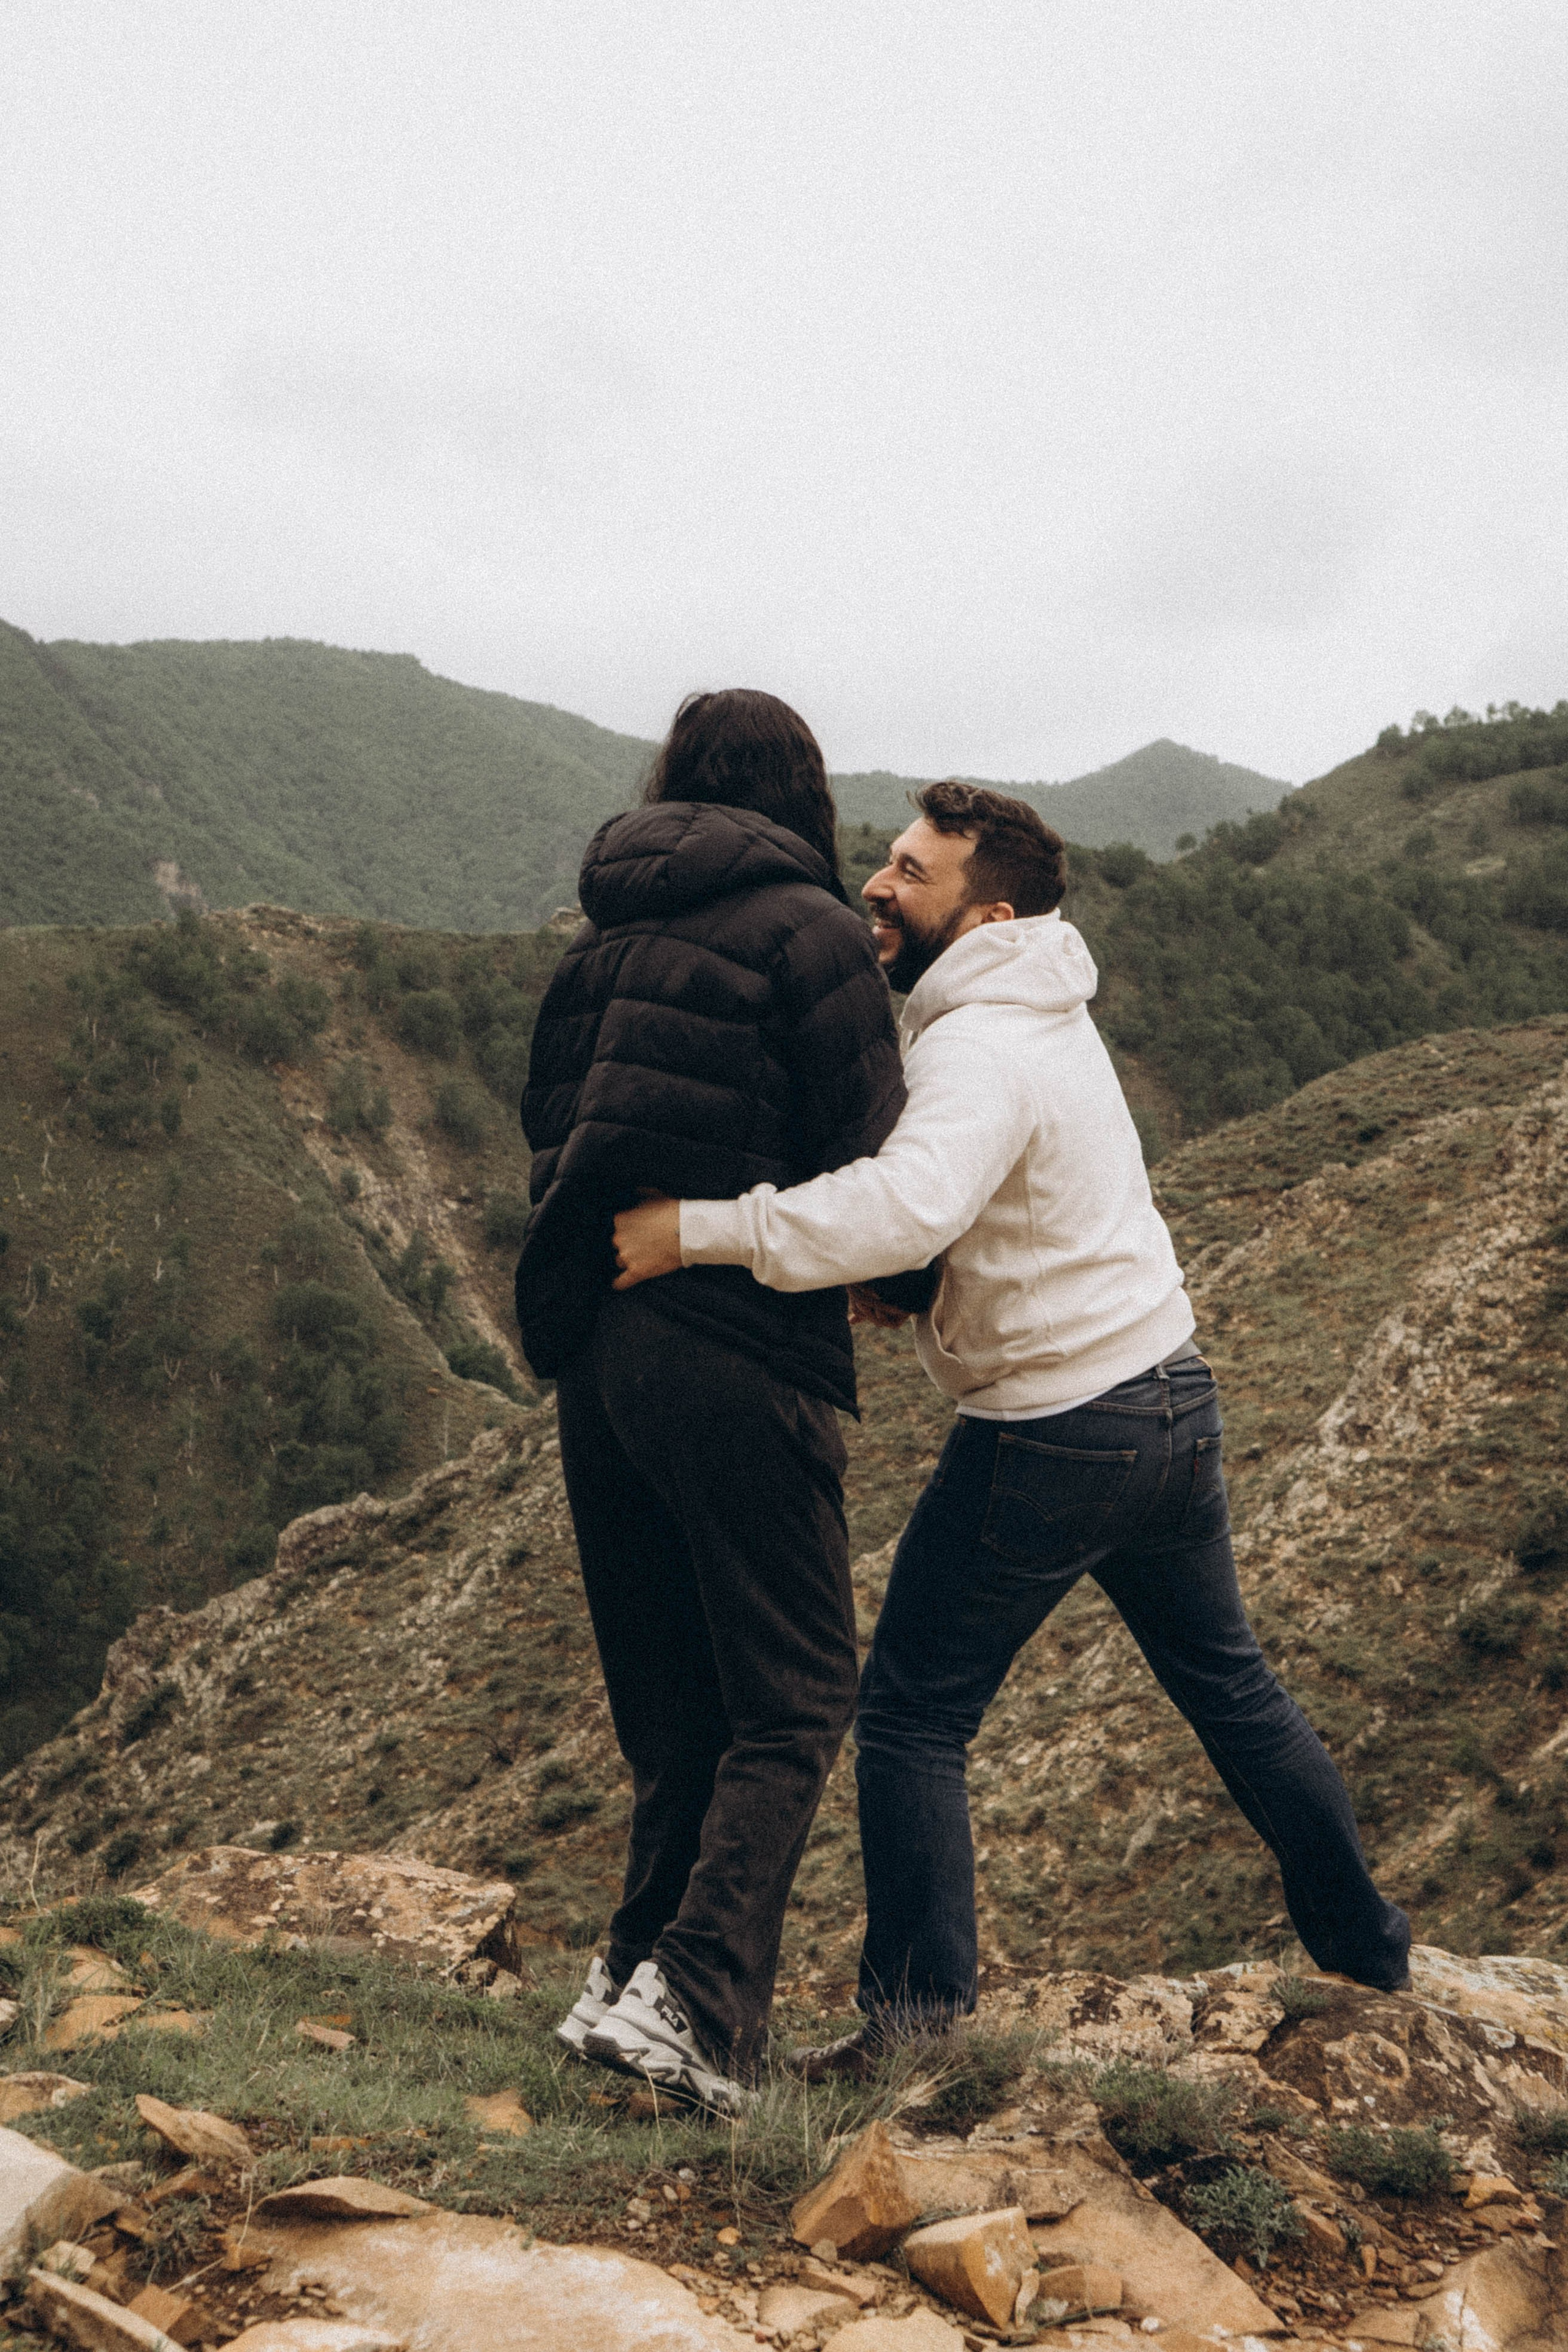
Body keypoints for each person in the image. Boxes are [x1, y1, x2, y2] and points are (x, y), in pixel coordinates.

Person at [611, 780, 1412, 2073]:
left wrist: (696, 1231)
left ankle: (913, 2032)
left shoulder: (977, 1042)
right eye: (885, 858)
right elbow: (993, 1210)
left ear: (985, 916)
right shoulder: (1042, 1007)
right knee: (1233, 1691)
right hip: (1168, 1394)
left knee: (911, 1716)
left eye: (910, 874)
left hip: (1056, 1430)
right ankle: (1369, 1950)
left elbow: (908, 1206)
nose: (877, 885)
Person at [515, 688, 928, 2113]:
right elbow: (872, 1153)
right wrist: (904, 1282)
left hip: (598, 1346)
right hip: (734, 1345)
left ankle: (627, 1979)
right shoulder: (810, 931)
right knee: (798, 1689)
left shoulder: (598, 942)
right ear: (800, 792)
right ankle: (694, 2003)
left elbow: (547, 1134)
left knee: (675, 1704)